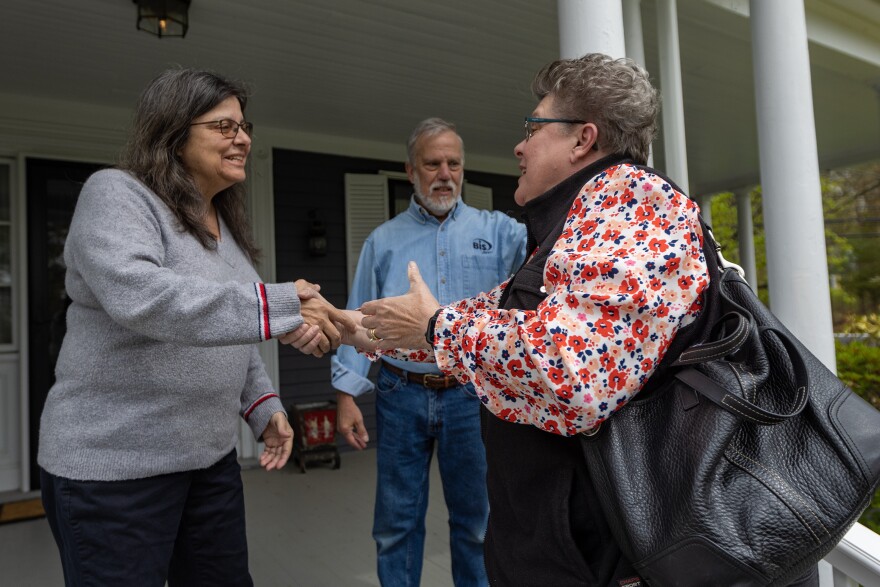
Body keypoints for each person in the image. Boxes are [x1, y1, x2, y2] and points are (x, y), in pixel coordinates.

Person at [344, 55, 818, 586]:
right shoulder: (581, 222)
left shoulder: (634, 212)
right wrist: (362, 326)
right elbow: (487, 320)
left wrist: (435, 328)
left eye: (533, 128)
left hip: (607, 558)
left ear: (581, 139)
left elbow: (572, 371)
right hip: (564, 550)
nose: (519, 147)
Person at [38, 68, 352, 586]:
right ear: (174, 131)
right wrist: (279, 306)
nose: (244, 138)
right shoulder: (117, 194)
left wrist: (264, 406)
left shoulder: (221, 226)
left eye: (245, 126)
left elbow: (231, 328)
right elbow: (142, 296)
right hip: (114, 469)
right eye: (225, 127)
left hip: (208, 464)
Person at [329, 118, 527, 586]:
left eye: (453, 163)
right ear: (411, 170)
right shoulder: (383, 241)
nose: (444, 173)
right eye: (432, 163)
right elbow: (357, 316)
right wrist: (345, 395)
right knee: (395, 525)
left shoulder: (500, 233)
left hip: (470, 394)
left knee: (477, 525)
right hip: (401, 393)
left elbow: (550, 256)